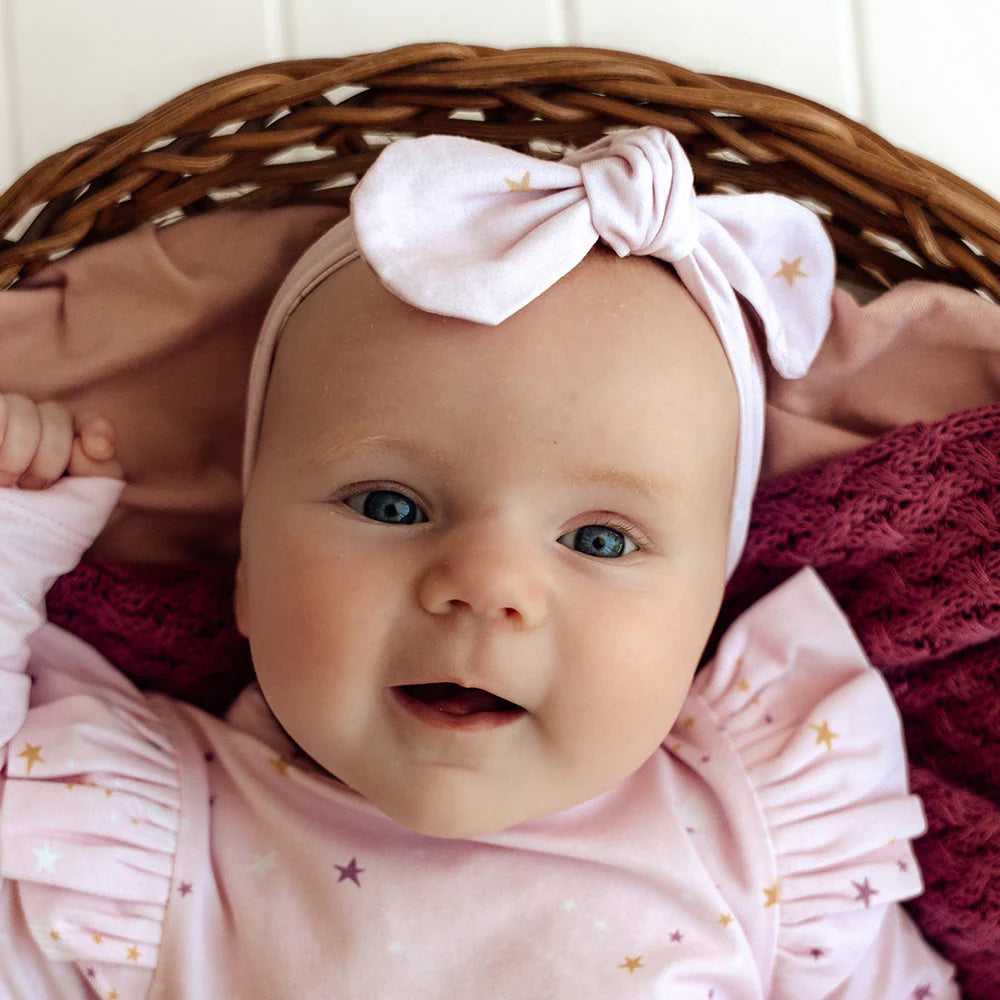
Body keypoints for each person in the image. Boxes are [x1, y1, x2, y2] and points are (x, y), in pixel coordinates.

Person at [0, 127, 958, 999]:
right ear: (249, 569)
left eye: (600, 540)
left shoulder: (769, 838)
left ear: (705, 611)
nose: (487, 586)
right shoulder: (147, 841)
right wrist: (15, 538)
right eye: (390, 506)